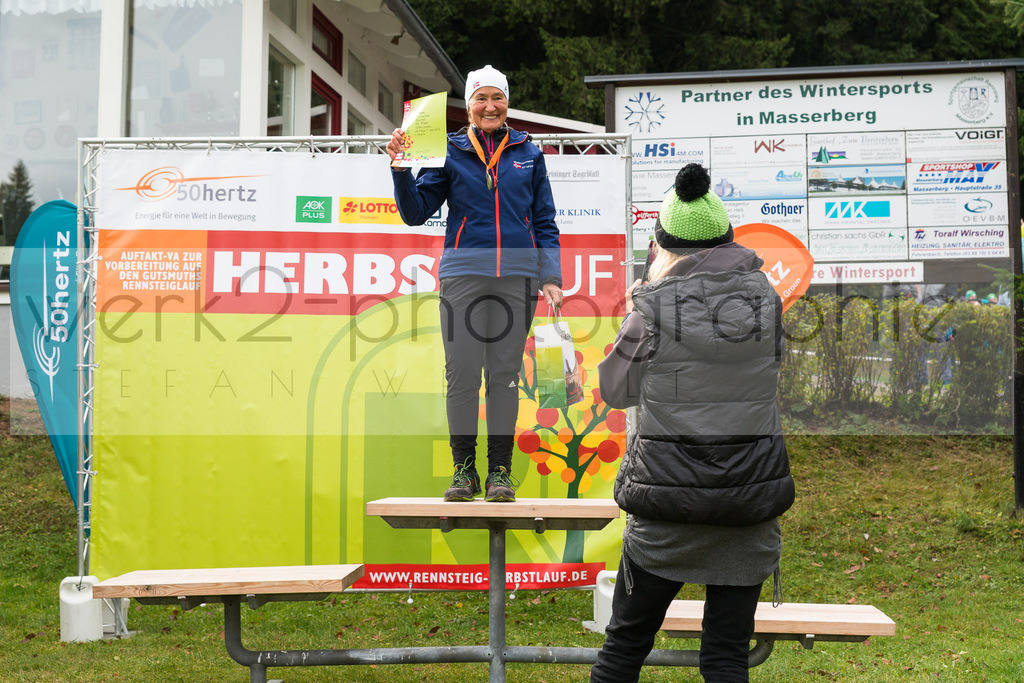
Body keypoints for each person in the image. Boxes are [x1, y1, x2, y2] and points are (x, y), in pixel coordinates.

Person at [590, 163, 795, 683]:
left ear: (663, 244)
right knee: (726, 656)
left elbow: (616, 392)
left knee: (624, 649)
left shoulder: (649, 310)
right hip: (747, 505)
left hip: (666, 508)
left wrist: (633, 319)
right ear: (729, 239)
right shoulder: (767, 304)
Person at [386, 65, 563, 503]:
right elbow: (415, 212)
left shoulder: (529, 152)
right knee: (461, 376)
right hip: (463, 275)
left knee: (503, 377)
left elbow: (544, 221)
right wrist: (400, 169)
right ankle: (464, 472)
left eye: (497, 98)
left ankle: (500, 474)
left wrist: (551, 276)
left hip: (518, 278)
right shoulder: (447, 150)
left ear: (507, 103)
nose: (489, 106)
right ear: (468, 106)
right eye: (481, 99)